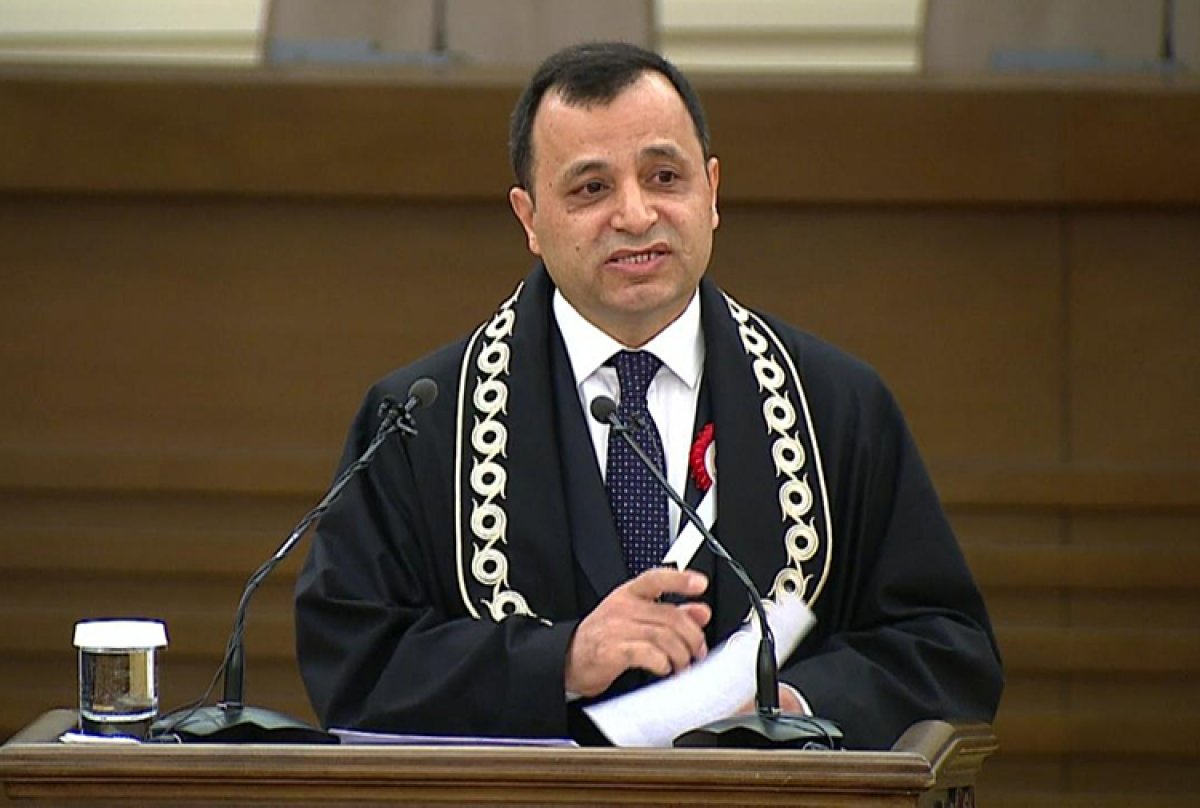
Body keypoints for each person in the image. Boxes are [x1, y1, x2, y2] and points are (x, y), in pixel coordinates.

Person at [294, 42, 1003, 749]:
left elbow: (948, 651)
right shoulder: (421, 422)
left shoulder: (835, 405)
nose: (635, 216)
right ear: (529, 218)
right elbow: (355, 663)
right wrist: (561, 661)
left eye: (664, 177)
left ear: (712, 192)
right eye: (591, 189)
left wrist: (794, 703)